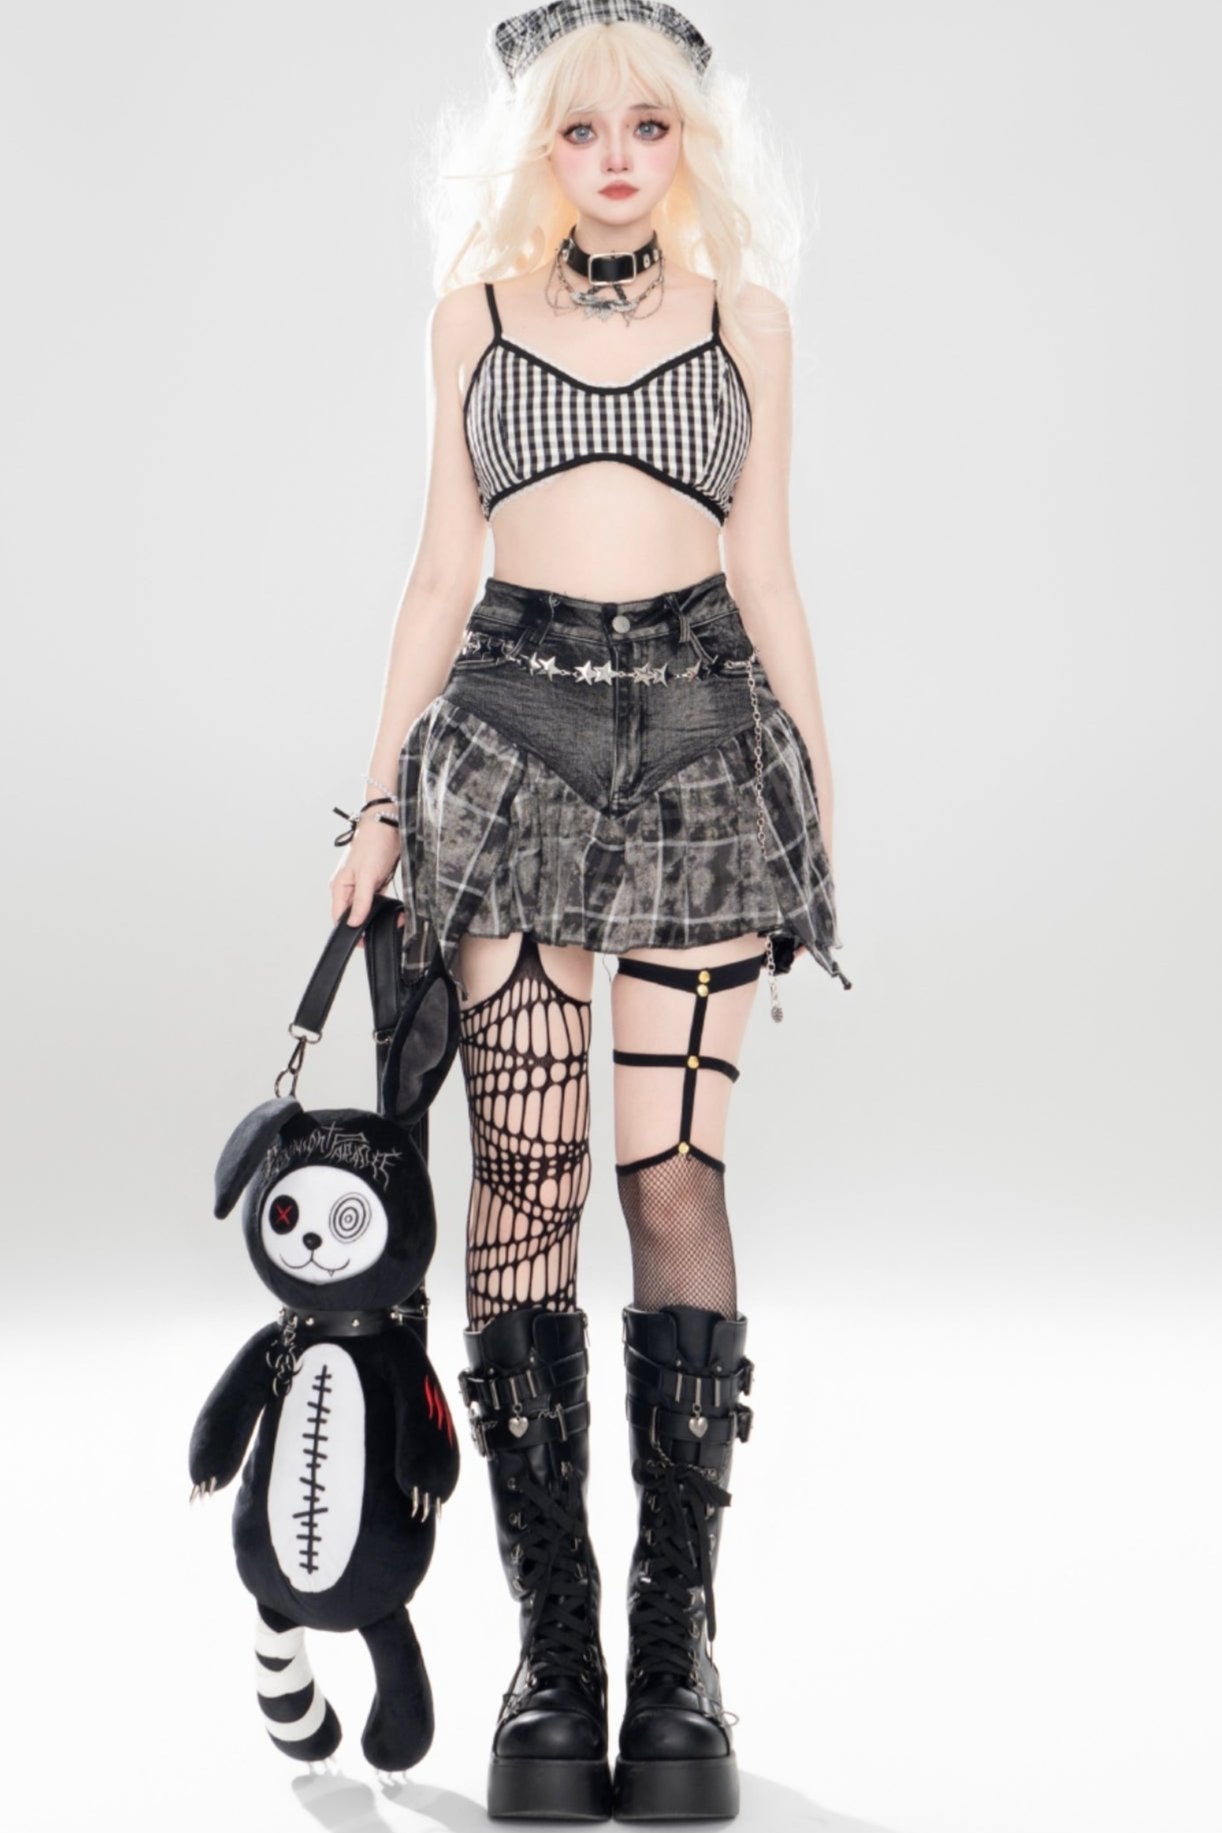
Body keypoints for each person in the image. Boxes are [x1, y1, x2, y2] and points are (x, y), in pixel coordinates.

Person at [329, 2, 851, 1819]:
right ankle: (553, 1656)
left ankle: (675, 1648)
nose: (616, 159)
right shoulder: (469, 319)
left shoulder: (748, 322)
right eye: (579, 130)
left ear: (688, 140)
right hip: (509, 733)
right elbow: (437, 570)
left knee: (673, 1177)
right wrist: (376, 802)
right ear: (534, 147)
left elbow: (764, 568)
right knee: (527, 1182)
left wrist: (818, 796)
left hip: (707, 734)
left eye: (647, 126)